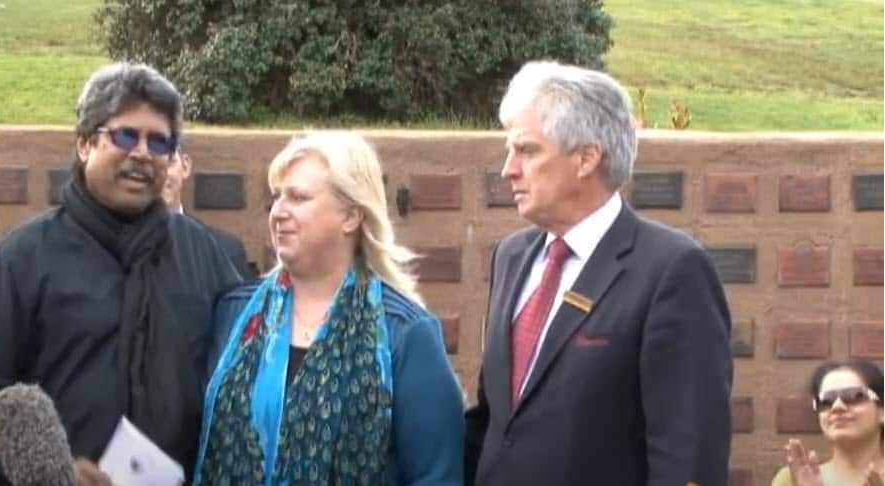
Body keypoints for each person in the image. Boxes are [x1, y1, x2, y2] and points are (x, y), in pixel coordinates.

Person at [0, 62, 243, 485]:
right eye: (125, 135)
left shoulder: (205, 255)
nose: (142, 154)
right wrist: (49, 472)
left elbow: (239, 382)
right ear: (83, 144)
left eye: (159, 142)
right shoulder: (24, 259)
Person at [464, 61, 733, 486]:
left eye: (528, 150)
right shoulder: (511, 257)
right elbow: (496, 420)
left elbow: (689, 451)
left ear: (586, 158)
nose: (508, 169)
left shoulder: (671, 269)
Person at [193, 132, 464, 485]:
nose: (279, 212)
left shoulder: (405, 333)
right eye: (277, 197)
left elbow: (436, 474)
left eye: (299, 197)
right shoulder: (236, 315)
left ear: (351, 217)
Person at [771, 359, 884, 486]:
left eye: (854, 396)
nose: (837, 406)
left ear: (882, 411)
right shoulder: (792, 479)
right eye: (826, 401)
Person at [162, 149, 255, 280]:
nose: (161, 174)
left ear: (185, 166)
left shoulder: (225, 249)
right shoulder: (122, 249)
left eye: (168, 162)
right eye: (149, 164)